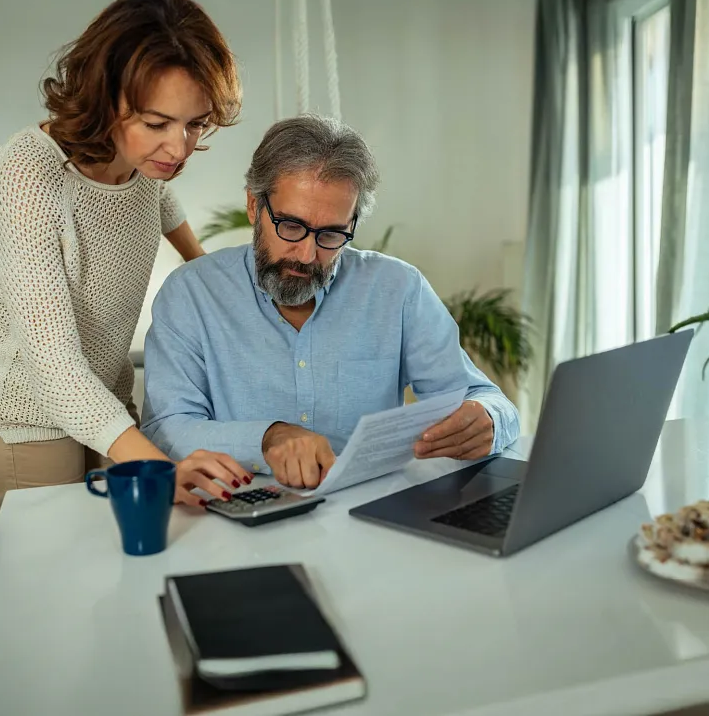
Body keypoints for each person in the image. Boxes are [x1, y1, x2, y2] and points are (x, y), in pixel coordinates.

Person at [0, 0, 253, 524]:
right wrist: (162, 464)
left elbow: (163, 205)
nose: (180, 149)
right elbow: (51, 365)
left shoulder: (146, 170)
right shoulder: (27, 172)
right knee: (58, 592)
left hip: (107, 402)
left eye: (195, 123)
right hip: (27, 413)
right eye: (157, 123)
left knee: (130, 571)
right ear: (104, 95)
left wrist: (221, 288)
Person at [141, 114, 520, 490]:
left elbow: (482, 397)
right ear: (255, 207)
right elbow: (165, 429)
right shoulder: (190, 294)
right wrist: (267, 438)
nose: (307, 255)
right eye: (291, 226)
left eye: (332, 235)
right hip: (237, 513)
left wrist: (488, 418)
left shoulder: (397, 289)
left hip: (369, 514)